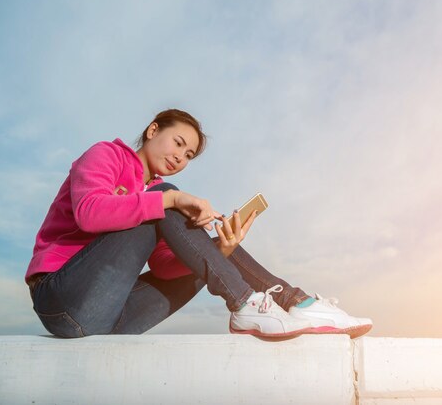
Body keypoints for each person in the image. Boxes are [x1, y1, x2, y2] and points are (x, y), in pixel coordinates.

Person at [25, 108, 372, 340]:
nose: (180, 157)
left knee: (195, 239)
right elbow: (89, 211)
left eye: (188, 155)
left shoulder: (156, 197)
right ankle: (250, 303)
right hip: (62, 298)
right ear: (153, 130)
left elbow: (163, 267)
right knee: (168, 198)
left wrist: (221, 249)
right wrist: (171, 199)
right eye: (178, 143)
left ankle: (293, 303)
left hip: (109, 320)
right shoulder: (106, 155)